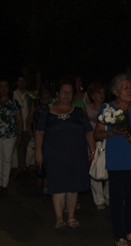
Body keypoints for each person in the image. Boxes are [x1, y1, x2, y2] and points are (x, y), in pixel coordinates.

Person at [94, 74, 131, 246]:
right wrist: (113, 132)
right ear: (116, 91)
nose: (130, 90)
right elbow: (97, 133)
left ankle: (130, 229)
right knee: (118, 199)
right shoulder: (107, 109)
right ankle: (119, 233)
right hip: (118, 161)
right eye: (126, 87)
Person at [34, 79, 94, 229]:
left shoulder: (79, 113)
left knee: (73, 187)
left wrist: (93, 150)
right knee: (58, 186)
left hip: (76, 155)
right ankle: (59, 218)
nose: (66, 94)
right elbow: (39, 133)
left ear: (73, 95)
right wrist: (38, 152)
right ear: (58, 94)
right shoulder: (47, 113)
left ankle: (71, 217)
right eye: (63, 91)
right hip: (54, 156)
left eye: (69, 91)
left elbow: (88, 132)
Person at [85, 82, 109, 211]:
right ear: (93, 95)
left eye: (103, 93)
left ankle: (108, 195)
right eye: (99, 93)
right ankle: (98, 199)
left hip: (106, 141)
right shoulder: (87, 108)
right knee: (95, 168)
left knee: (108, 167)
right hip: (92, 142)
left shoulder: (108, 107)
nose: (102, 95)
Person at [0, 78, 23, 194]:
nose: (3, 89)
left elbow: (19, 119)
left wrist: (19, 134)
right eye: (1, 86)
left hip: (10, 135)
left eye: (5, 87)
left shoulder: (14, 103)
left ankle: (4, 184)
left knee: (7, 159)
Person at [12, 75, 30, 172]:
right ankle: (20, 166)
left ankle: (24, 165)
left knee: (26, 146)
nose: (21, 83)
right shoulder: (13, 94)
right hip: (17, 125)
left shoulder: (29, 95)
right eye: (20, 81)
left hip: (27, 125)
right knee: (19, 146)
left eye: (23, 81)